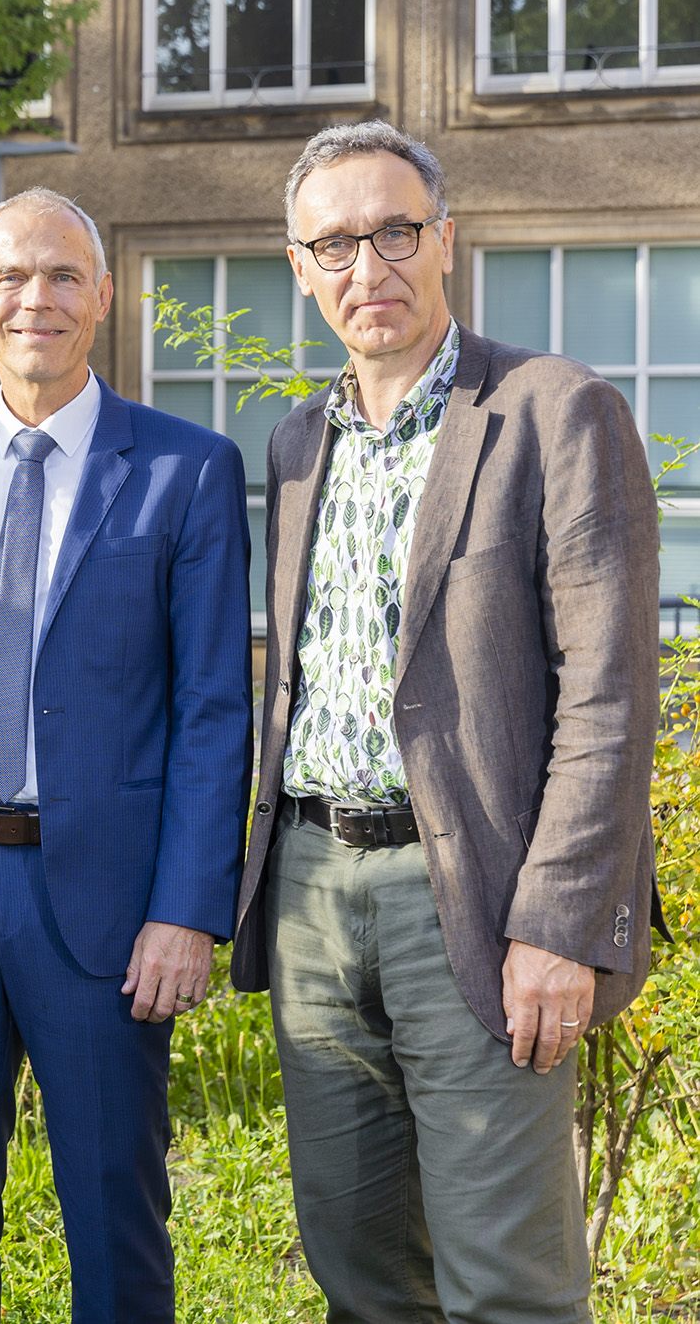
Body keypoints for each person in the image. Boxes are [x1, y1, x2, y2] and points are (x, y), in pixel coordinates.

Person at [231, 122, 660, 1322]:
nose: (368, 266)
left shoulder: (550, 411)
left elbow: (611, 693)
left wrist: (560, 926)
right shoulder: (296, 445)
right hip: (314, 889)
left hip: (472, 898)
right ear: (299, 267)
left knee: (503, 1285)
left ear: (445, 241)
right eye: (334, 244)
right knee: (358, 1273)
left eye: (394, 232)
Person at [0, 187, 253, 1324]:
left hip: (108, 904)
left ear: (102, 299)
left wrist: (187, 909)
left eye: (65, 276)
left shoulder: (185, 468)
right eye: (12, 277)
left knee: (114, 1221)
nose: (39, 299)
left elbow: (216, 707)